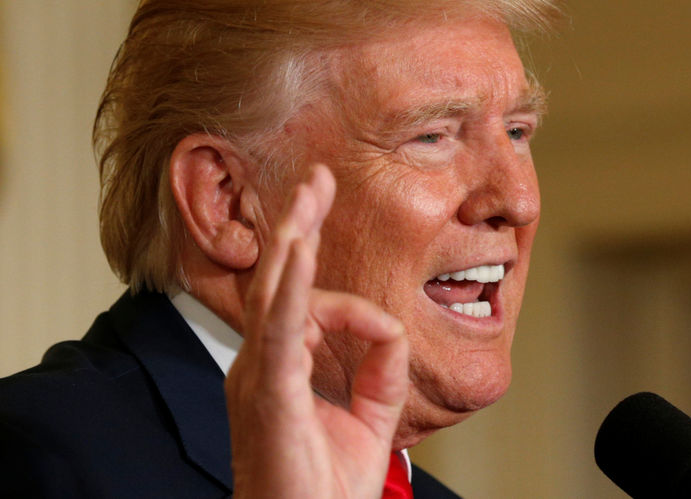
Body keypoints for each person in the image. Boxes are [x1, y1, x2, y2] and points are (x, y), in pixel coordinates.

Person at [0, 0, 557, 497]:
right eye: (432, 135)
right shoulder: (36, 457)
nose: (520, 200)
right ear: (229, 203)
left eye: (517, 131)